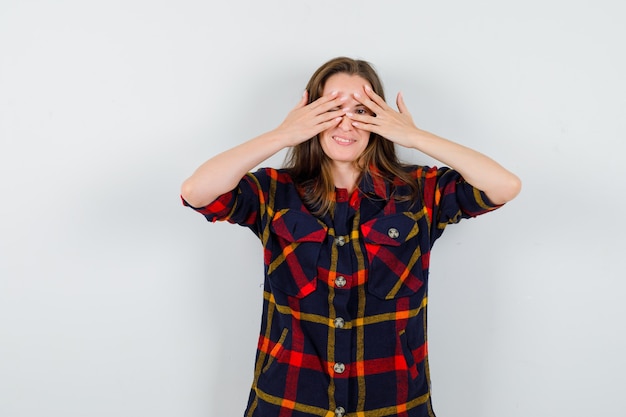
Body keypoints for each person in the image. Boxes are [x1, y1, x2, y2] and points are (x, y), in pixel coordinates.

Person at [181, 57, 521, 417]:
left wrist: (413, 137)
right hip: (288, 403)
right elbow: (197, 192)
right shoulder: (274, 191)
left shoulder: (418, 191)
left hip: (393, 405)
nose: (347, 123)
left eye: (361, 109)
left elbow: (504, 186)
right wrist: (283, 134)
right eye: (331, 108)